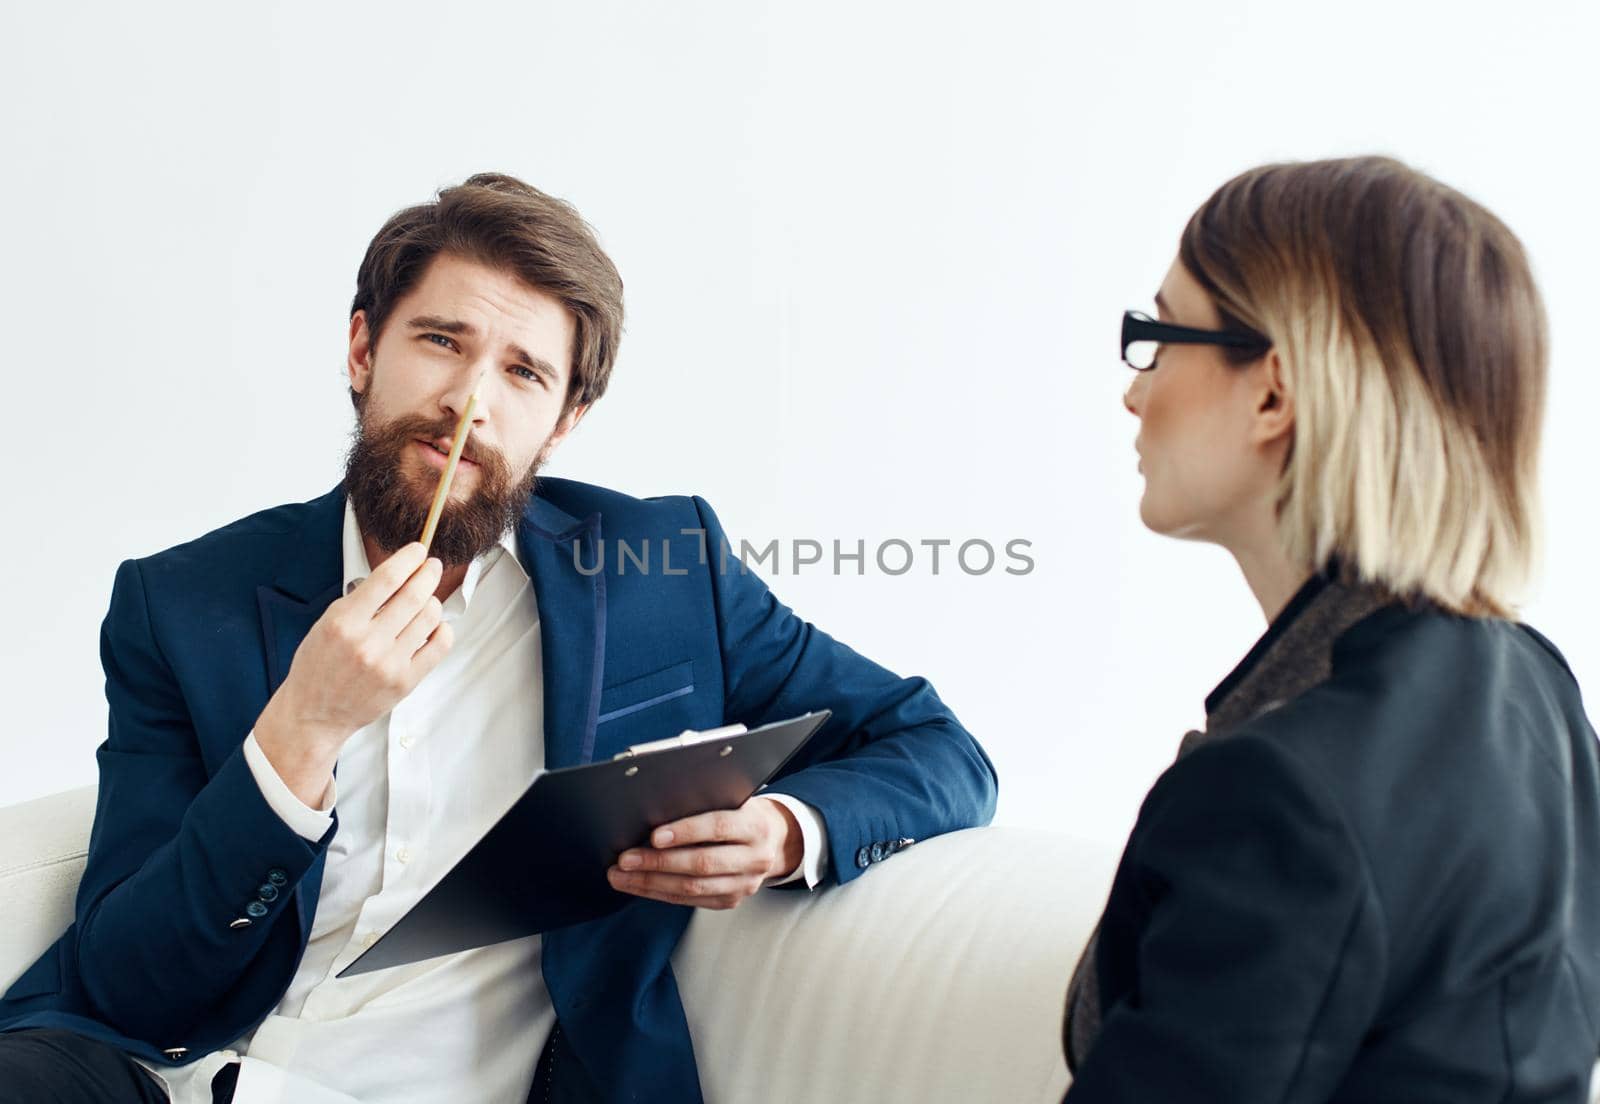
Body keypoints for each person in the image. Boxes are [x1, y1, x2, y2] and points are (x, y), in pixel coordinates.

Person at [0, 173, 999, 1104]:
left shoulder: (661, 572)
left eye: (523, 372)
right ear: (362, 350)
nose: (470, 401)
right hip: (184, 1077)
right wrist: (300, 730)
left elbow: (935, 746)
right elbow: (127, 979)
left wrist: (788, 832)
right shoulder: (182, 604)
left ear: (563, 422)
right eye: (441, 341)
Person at [1063, 155, 1600, 1101]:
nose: (1133, 392)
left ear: (1273, 392)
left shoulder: (1275, 790)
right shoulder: (1534, 686)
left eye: (1156, 335)